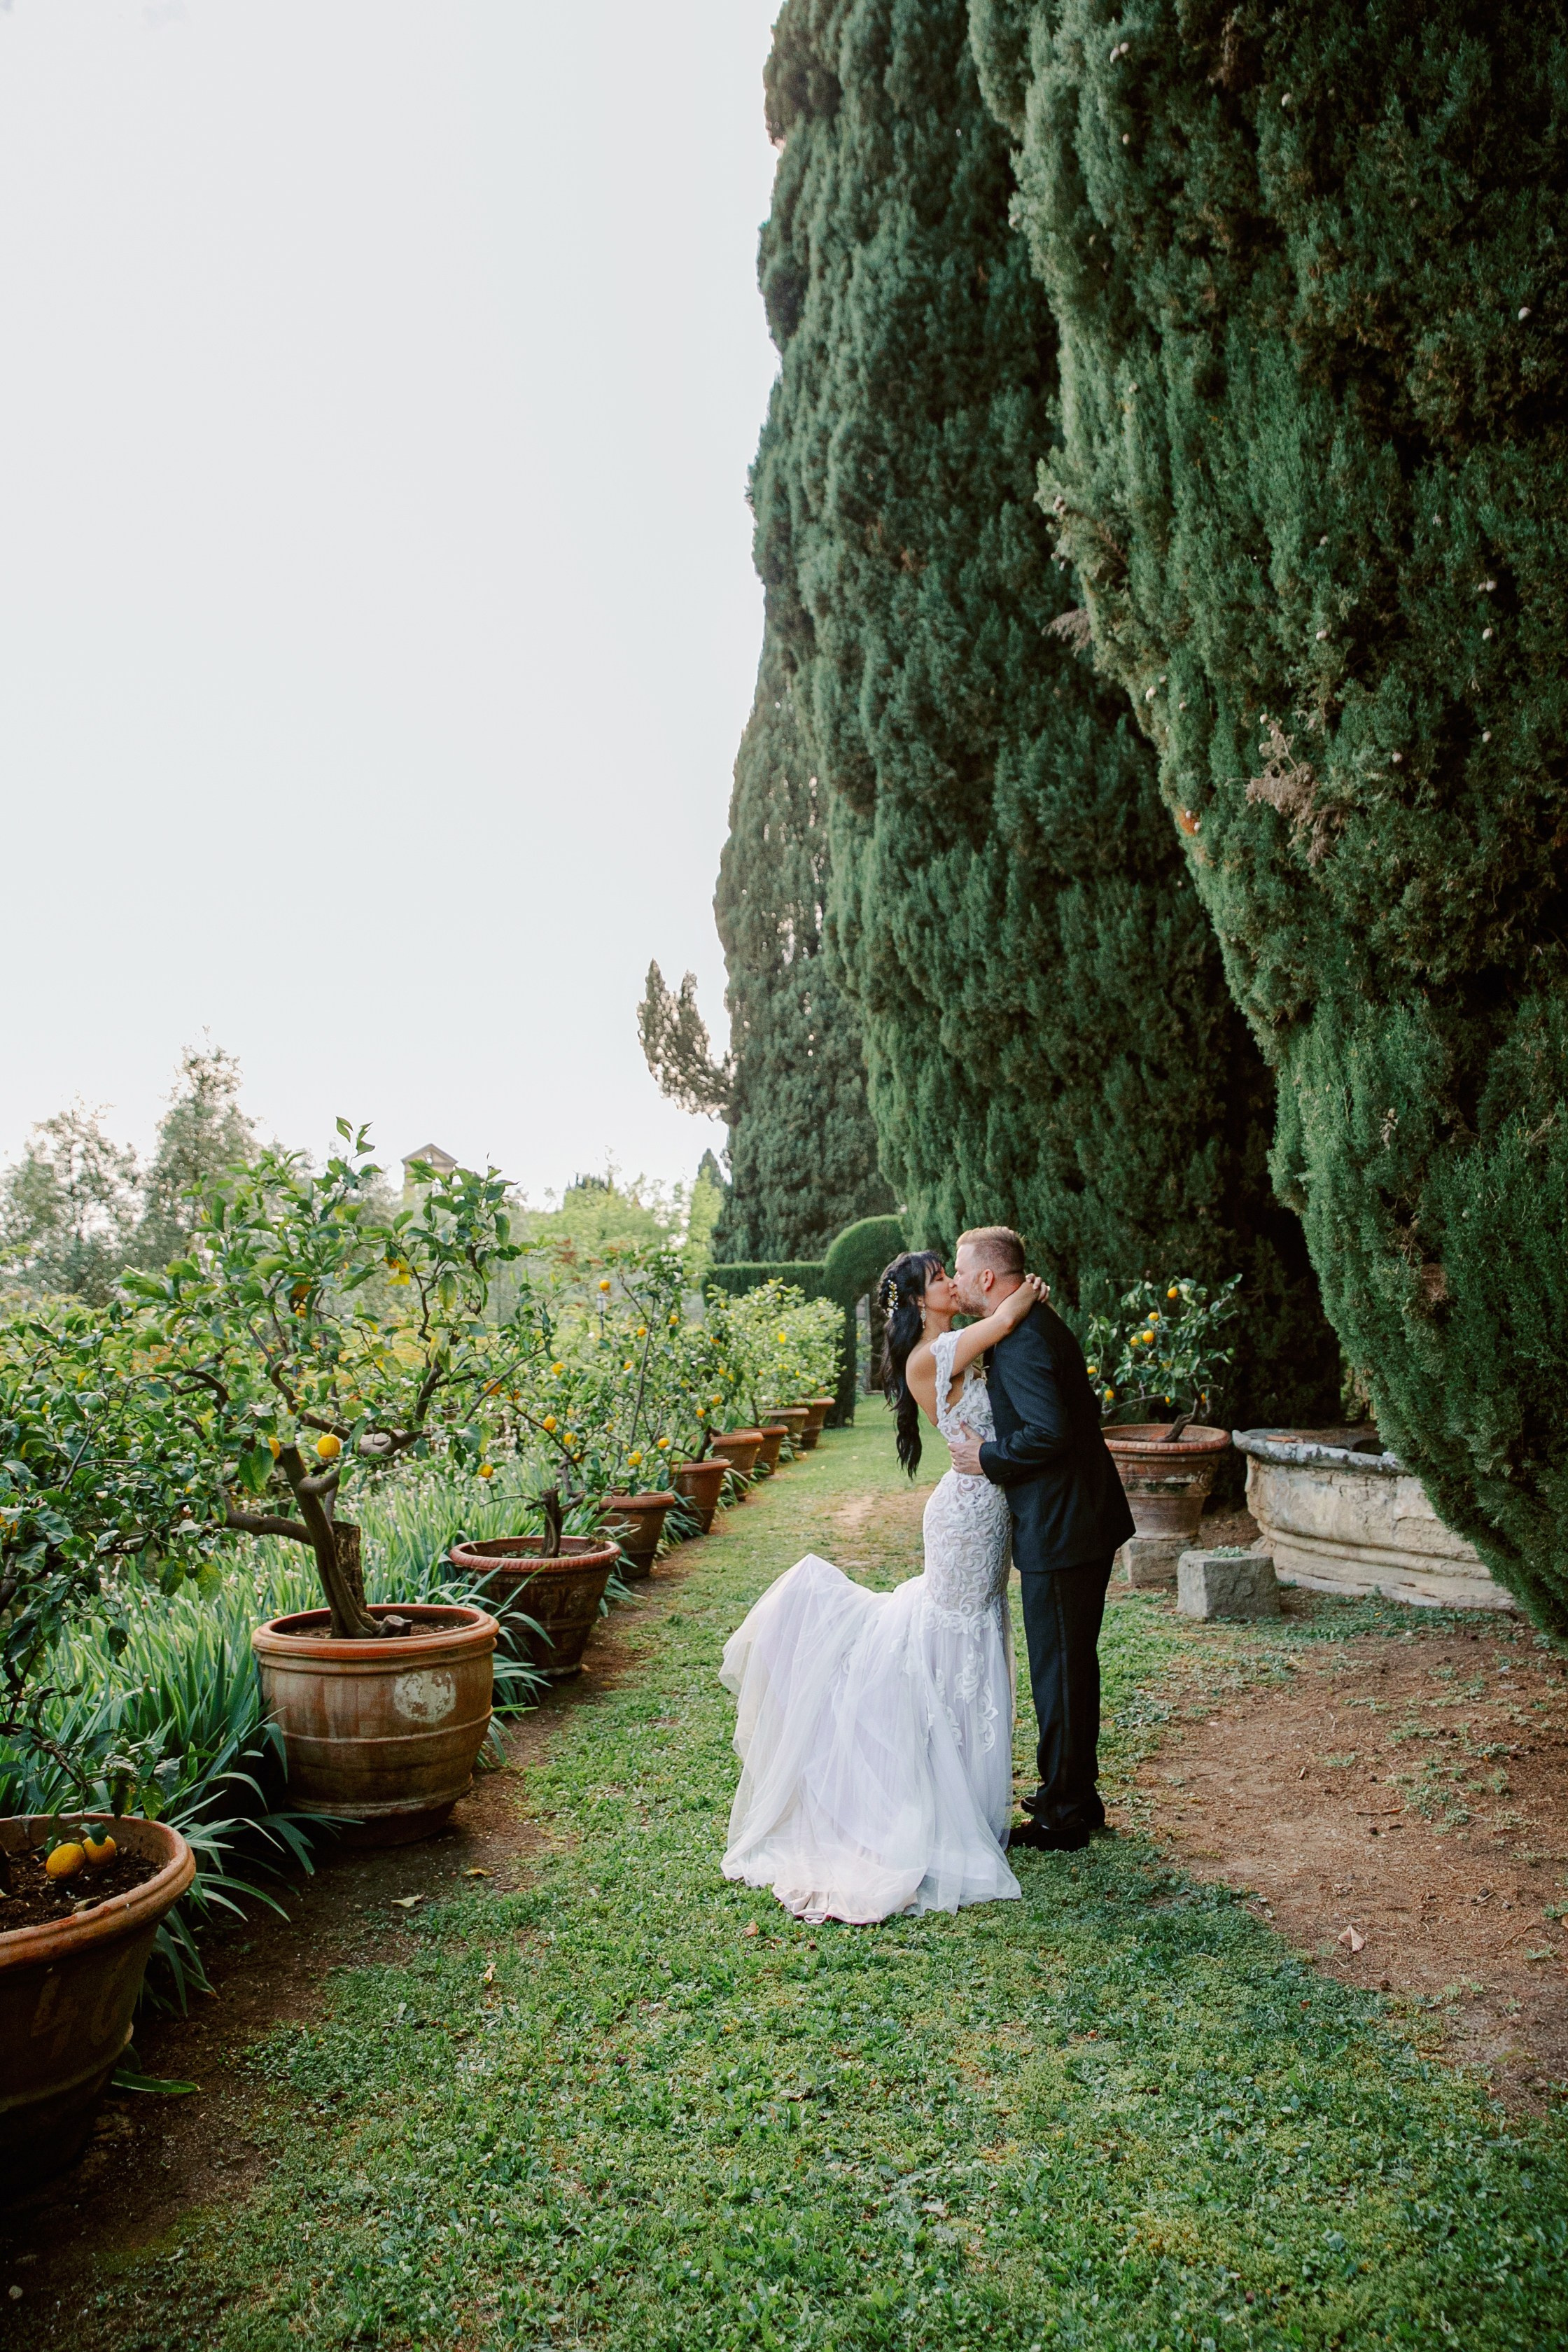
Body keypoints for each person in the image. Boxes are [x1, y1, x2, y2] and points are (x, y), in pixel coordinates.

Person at [718, 1250, 1046, 1924]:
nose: (952, 1283)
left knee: (971, 1636)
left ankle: (959, 1791)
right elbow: (1008, 1314)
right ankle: (933, 1795)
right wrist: (1019, 1292)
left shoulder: (946, 1344)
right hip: (965, 1514)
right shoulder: (929, 1356)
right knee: (951, 1639)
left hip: (982, 1509)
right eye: (940, 1279)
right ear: (921, 1301)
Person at [944, 1226, 1134, 1851]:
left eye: (961, 1269)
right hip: (1079, 1518)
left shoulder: (1022, 1338)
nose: (955, 1277)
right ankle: (1077, 1791)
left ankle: (1063, 1814)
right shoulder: (1024, 1324)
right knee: (1071, 1665)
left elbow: (1048, 1433)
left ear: (988, 1279)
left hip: (1064, 1525)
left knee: (1059, 1670)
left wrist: (986, 1456)